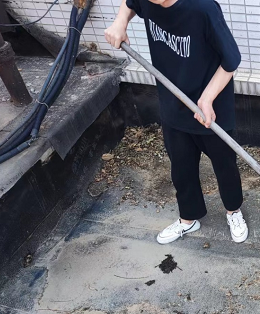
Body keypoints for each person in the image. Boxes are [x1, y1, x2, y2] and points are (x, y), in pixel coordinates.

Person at [105, 0, 248, 244]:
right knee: (181, 167)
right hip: (173, 102)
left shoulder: (203, 9)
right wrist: (120, 22)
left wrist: (207, 98)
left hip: (211, 109)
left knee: (225, 166)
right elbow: (129, 3)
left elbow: (231, 60)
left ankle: (233, 211)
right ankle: (188, 218)